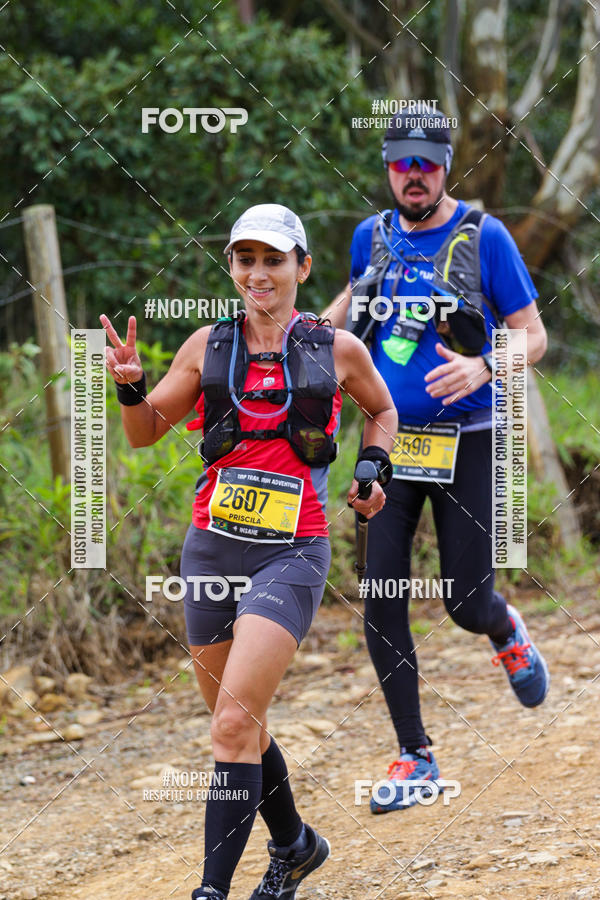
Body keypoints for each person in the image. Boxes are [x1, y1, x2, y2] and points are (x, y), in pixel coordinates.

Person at [101, 203, 397, 898]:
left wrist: (371, 470)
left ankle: (211, 890)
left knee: (233, 723)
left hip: (292, 552)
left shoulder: (337, 349)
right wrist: (130, 385)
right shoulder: (208, 346)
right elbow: (144, 433)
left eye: (273, 259)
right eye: (245, 259)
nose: (258, 273)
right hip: (210, 552)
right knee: (239, 724)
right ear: (231, 266)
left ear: (303, 267)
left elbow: (382, 411)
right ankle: (295, 846)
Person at [322, 109, 550, 814]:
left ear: (447, 166)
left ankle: (503, 626)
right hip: (388, 438)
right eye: (402, 163)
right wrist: (298, 338)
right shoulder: (371, 237)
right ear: (388, 168)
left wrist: (485, 366)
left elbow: (534, 336)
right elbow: (351, 303)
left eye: (426, 163)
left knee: (465, 602)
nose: (414, 175)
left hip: (471, 437)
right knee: (381, 595)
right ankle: (415, 755)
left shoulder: (486, 237)